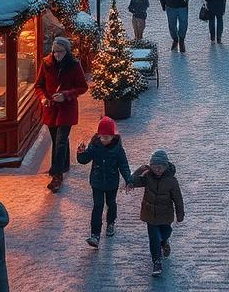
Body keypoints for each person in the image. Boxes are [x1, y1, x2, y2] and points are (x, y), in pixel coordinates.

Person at [34, 35, 88, 191]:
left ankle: (56, 175)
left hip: (67, 109)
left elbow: (82, 87)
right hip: (50, 108)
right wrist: (43, 98)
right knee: (56, 139)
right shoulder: (46, 63)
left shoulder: (74, 65)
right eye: (55, 51)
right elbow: (39, 85)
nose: (57, 54)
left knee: (61, 141)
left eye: (60, 51)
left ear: (67, 51)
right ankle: (64, 165)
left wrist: (66, 95)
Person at [77, 116, 132, 248]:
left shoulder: (118, 149)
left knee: (111, 203)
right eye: (102, 137)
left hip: (112, 182)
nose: (104, 140)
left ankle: (111, 222)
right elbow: (84, 160)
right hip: (97, 182)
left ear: (113, 136)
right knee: (98, 206)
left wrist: (128, 179)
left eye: (107, 137)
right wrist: (80, 153)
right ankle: (95, 234)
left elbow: (123, 164)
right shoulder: (95, 146)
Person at [130, 149, 185, 278]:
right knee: (154, 238)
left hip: (165, 215)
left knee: (165, 232)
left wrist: (180, 214)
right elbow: (133, 180)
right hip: (150, 215)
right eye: (155, 167)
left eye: (160, 167)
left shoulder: (172, 181)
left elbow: (178, 199)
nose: (158, 170)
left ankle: (164, 241)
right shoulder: (148, 177)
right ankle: (156, 262)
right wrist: (140, 170)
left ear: (166, 167)